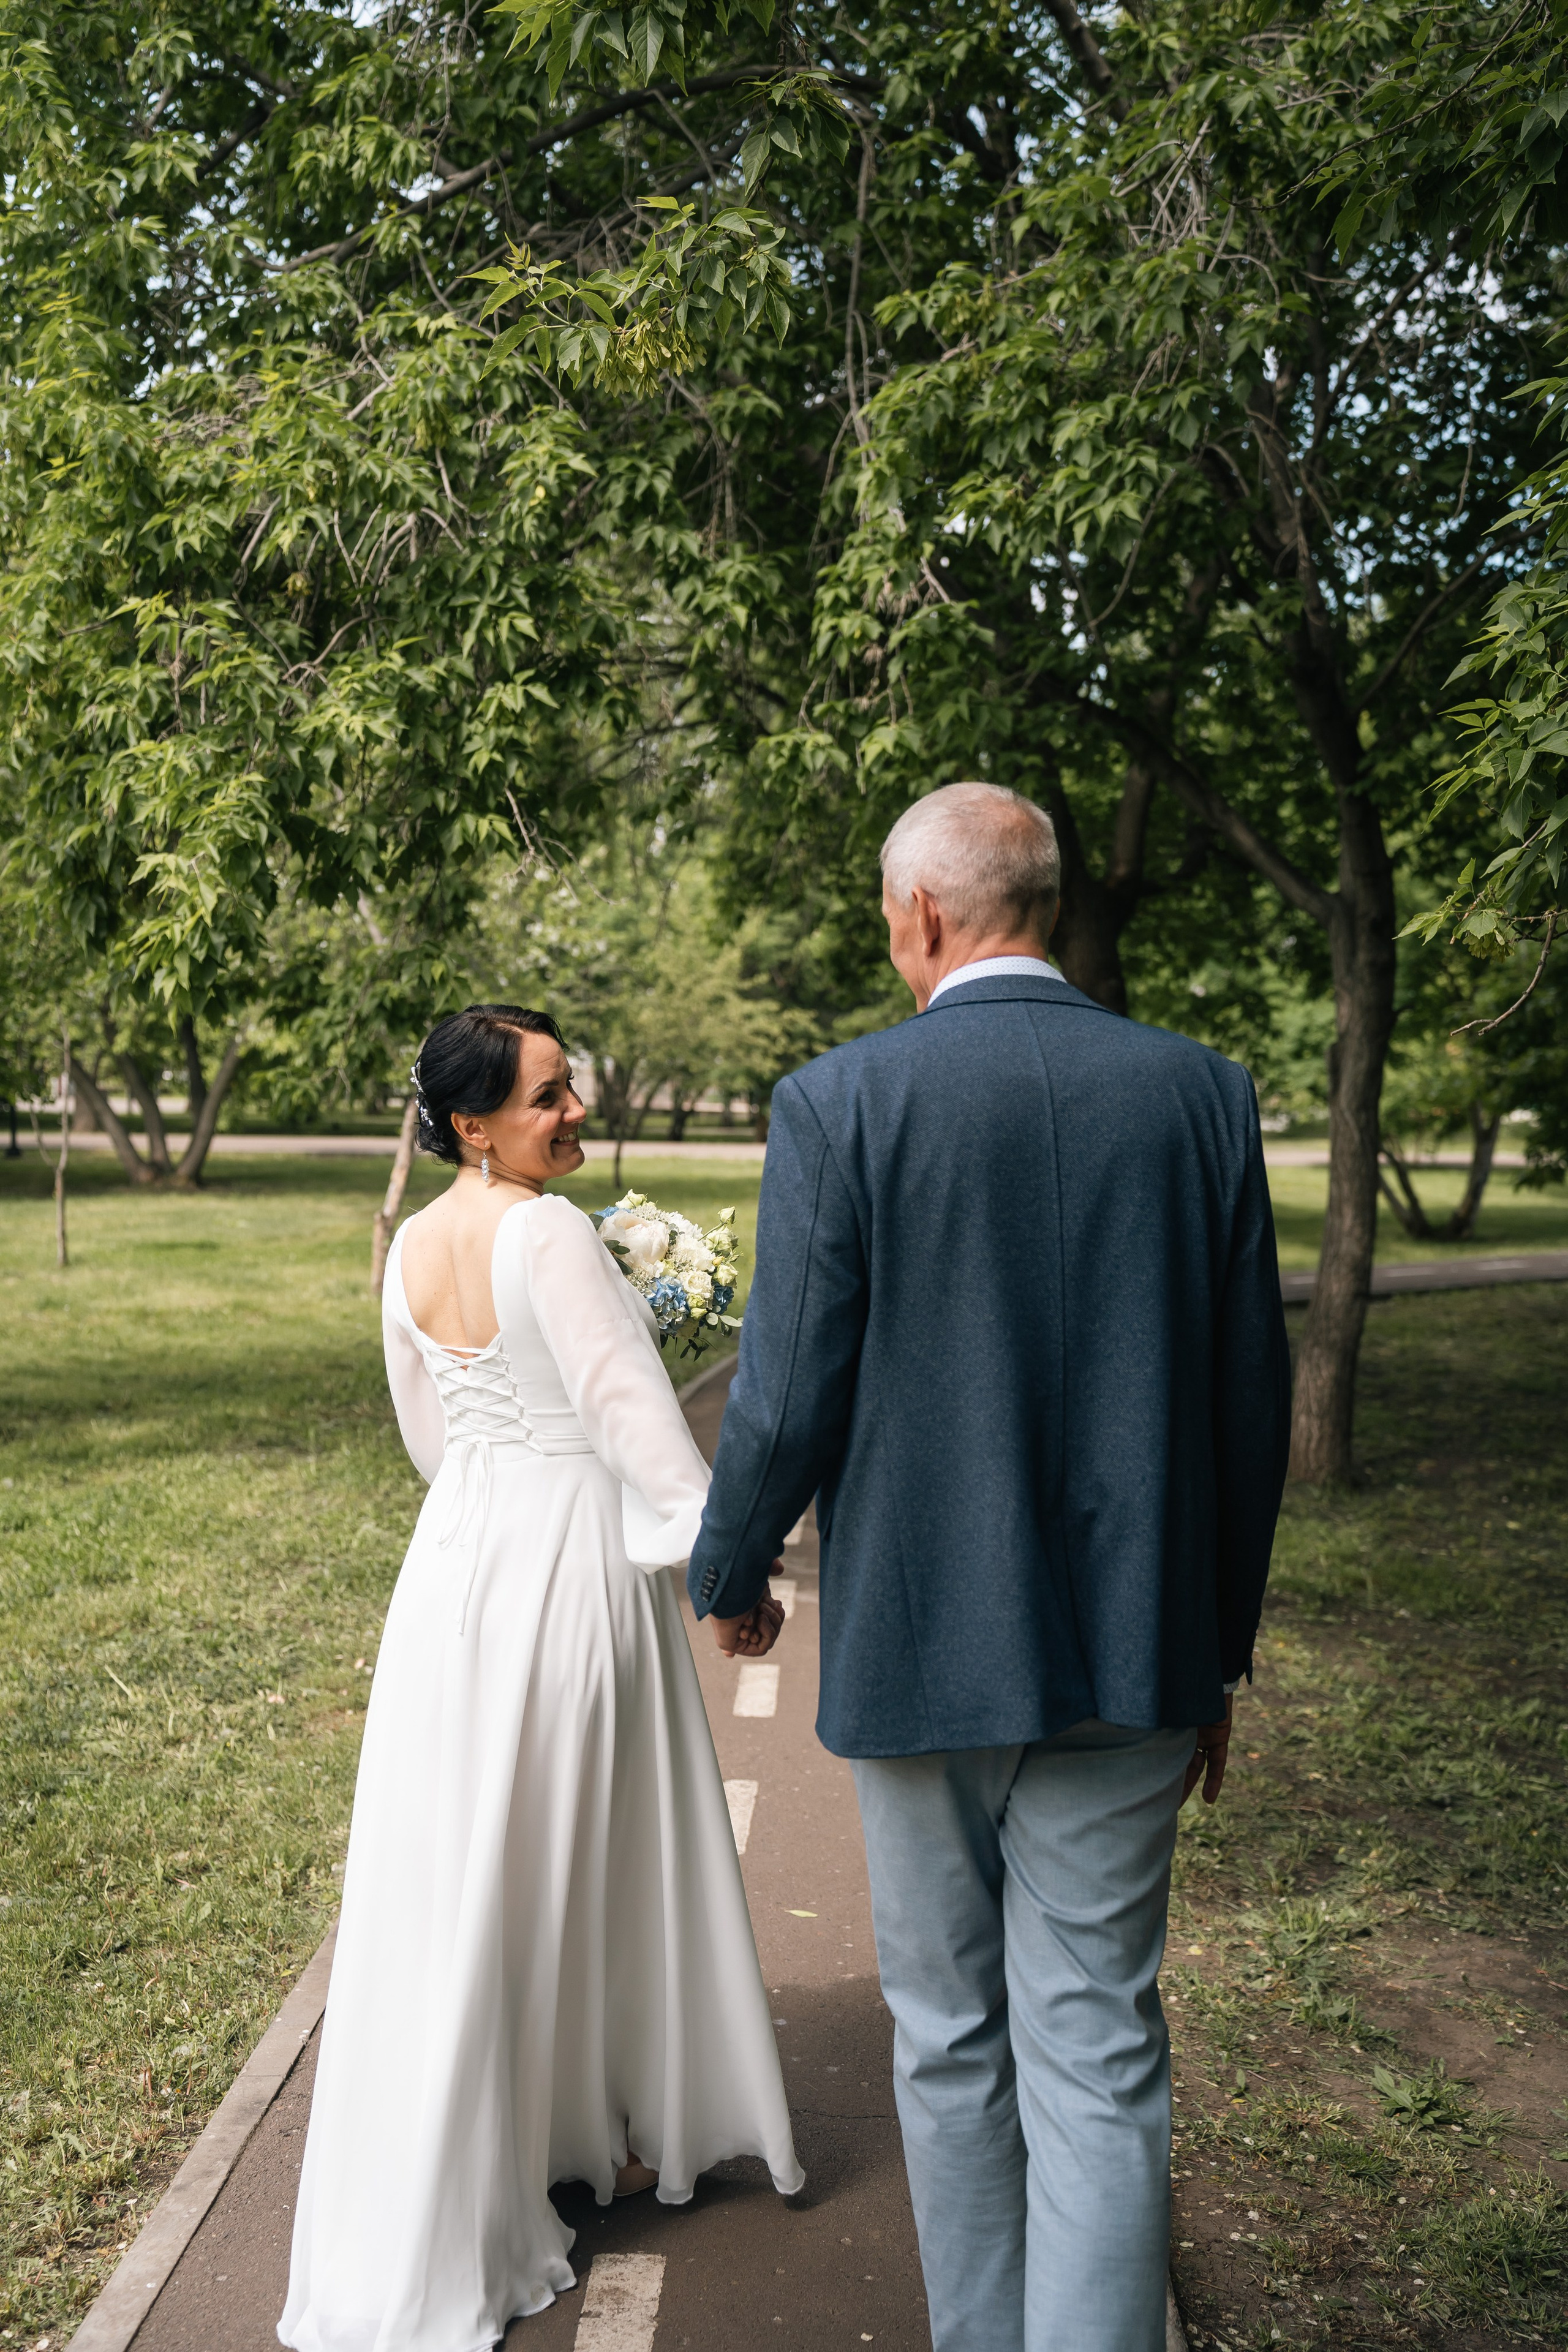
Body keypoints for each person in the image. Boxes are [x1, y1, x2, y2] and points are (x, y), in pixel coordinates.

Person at [690, 785, 1291, 2352]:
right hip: (1136, 1647)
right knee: (1098, 2043)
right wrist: (1215, 1652)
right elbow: (1247, 1403)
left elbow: (788, 1382)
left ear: (922, 918)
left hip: (922, 1650)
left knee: (949, 2037)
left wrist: (731, 1569)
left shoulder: (842, 1102)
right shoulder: (1202, 1095)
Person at [280, 1004, 801, 2352]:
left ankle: (525, 2143)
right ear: (469, 1121)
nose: (575, 1112)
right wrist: (723, 1574)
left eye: (571, 1088)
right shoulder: (551, 1233)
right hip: (569, 1569)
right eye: (548, 1096)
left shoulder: (408, 1248)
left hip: (455, 1568)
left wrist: (495, 1505)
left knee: (469, 1864)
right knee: (587, 1848)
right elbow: (634, 1419)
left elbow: (427, 1430)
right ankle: (586, 2135)